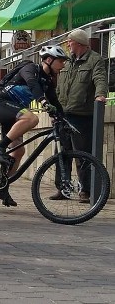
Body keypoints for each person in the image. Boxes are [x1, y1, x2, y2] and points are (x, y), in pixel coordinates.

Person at [0, 45, 68, 206]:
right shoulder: (30, 68)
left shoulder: (47, 81)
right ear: (48, 59)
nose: (63, 65)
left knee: (18, 151)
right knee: (32, 118)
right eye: (60, 61)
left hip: (15, 114)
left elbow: (55, 102)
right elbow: (33, 85)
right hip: (2, 105)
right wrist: (43, 102)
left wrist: (64, 119)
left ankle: (2, 186)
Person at [55, 28, 107, 204]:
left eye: (69, 41)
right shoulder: (66, 62)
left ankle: (85, 190)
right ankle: (62, 188)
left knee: (82, 154)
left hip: (82, 114)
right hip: (63, 112)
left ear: (78, 42)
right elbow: (58, 85)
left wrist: (100, 95)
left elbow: (100, 79)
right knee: (62, 152)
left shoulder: (95, 60)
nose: (67, 44)